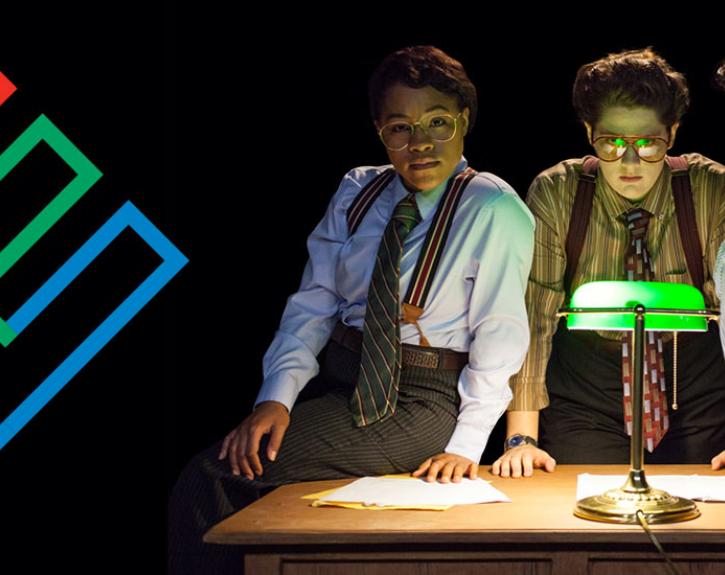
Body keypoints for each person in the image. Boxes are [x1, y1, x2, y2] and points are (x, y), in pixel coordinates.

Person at [169, 45, 534, 573]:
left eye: (438, 122)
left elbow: (500, 333)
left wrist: (467, 445)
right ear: (379, 130)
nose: (420, 143)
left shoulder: (493, 207)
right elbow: (313, 304)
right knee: (244, 476)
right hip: (342, 380)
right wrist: (276, 398)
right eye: (399, 128)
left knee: (211, 477)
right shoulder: (358, 189)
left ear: (464, 121)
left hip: (419, 398)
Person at [492, 48, 725, 478]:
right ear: (588, 132)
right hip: (588, 391)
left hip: (694, 389)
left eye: (648, 143)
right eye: (613, 142)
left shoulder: (709, 188)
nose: (630, 161)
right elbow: (535, 314)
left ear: (672, 133)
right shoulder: (558, 191)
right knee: (586, 512)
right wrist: (522, 439)